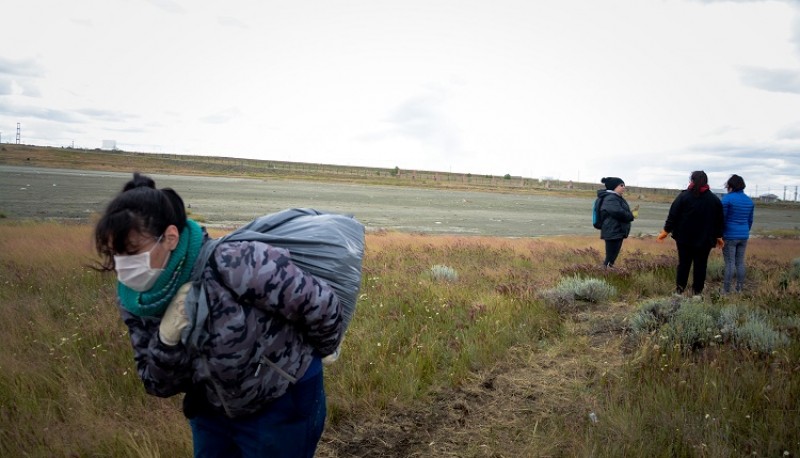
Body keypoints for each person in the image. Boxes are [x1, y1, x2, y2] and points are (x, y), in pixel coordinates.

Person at [93, 172, 343, 457]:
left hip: (281, 404)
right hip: (210, 413)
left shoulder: (235, 261)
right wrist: (166, 340)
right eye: (115, 255)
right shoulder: (137, 300)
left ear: (170, 238)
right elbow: (156, 383)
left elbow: (319, 304)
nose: (122, 266)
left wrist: (323, 349)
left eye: (132, 252)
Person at [657, 170, 724, 295]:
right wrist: (719, 236)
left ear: (691, 181)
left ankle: (679, 291)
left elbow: (673, 215)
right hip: (705, 240)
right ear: (706, 181)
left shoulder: (683, 196)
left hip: (684, 239)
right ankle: (697, 293)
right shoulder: (714, 200)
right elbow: (719, 221)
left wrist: (666, 231)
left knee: (683, 265)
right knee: (701, 266)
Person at [721, 174, 754, 293]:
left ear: (730, 186)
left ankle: (726, 290)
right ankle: (739, 289)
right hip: (743, 235)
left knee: (729, 263)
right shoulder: (749, 201)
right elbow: (750, 220)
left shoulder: (727, 199)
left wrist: (720, 233)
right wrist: (745, 231)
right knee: (740, 262)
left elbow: (722, 218)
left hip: (729, 235)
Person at [596, 177, 638, 268]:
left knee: (611, 259)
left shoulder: (615, 197)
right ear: (614, 186)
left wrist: (630, 214)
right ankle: (604, 275)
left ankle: (606, 274)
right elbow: (618, 212)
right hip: (612, 231)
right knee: (610, 259)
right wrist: (631, 215)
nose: (624, 187)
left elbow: (620, 211)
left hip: (616, 231)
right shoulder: (610, 198)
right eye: (621, 185)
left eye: (624, 185)